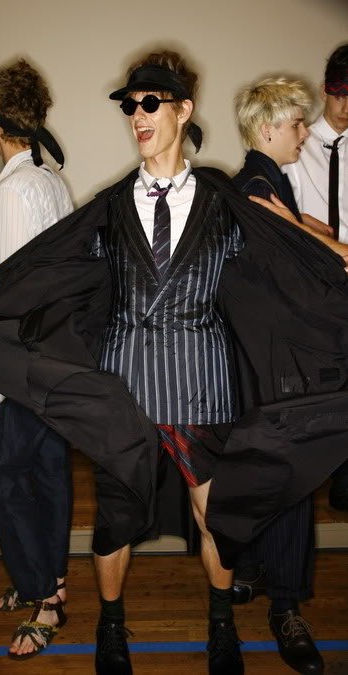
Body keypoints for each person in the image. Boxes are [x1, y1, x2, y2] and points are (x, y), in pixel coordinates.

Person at [0, 51, 348, 675]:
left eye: (150, 103)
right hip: (125, 391)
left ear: (183, 110)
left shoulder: (222, 198)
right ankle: (111, 630)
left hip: (203, 384)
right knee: (116, 524)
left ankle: (221, 630)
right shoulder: (108, 206)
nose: (137, 114)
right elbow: (58, 270)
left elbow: (284, 263)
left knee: (217, 518)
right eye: (130, 105)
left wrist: (333, 266)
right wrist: (5, 281)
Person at [0, 59, 74, 661]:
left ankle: (44, 598)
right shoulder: (51, 177)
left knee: (2, 481)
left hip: (23, 365)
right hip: (55, 358)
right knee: (48, 475)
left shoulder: (14, 187)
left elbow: (14, 301)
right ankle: (47, 579)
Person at [230, 76, 324, 675]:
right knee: (292, 479)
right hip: (276, 369)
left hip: (266, 365)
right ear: (268, 129)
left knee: (268, 476)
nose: (305, 134)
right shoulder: (257, 190)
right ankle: (285, 608)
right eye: (296, 124)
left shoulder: (264, 184)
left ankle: (256, 572)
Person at [283, 43, 348, 512]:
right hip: (311, 288)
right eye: (341, 93)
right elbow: (282, 218)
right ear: (326, 89)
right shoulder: (298, 145)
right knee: (317, 389)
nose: (347, 106)